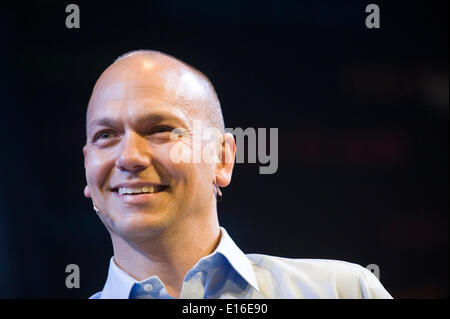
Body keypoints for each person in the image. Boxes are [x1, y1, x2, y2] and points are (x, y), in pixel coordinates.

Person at [83, 50, 392, 299]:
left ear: (221, 159)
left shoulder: (343, 292)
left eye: (161, 130)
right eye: (105, 135)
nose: (129, 157)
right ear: (87, 167)